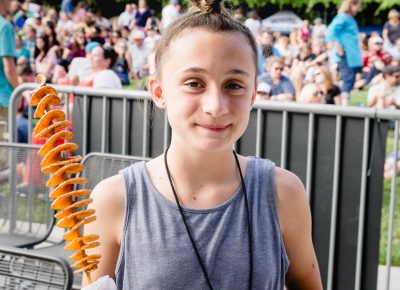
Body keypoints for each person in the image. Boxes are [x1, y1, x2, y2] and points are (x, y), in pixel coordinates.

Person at [82, 0, 322, 289]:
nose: (216, 106)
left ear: (253, 95)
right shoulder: (112, 201)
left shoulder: (283, 194)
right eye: (194, 83)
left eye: (234, 85)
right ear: (159, 92)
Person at [326, 0, 362, 106]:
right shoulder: (342, 17)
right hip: (345, 55)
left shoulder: (350, 19)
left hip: (352, 55)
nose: (358, 9)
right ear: (351, 4)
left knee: (350, 80)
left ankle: (339, 102)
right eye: (357, 6)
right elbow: (330, 31)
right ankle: (344, 106)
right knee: (348, 79)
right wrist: (338, 46)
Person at [0, 0, 19, 141]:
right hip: (3, 98)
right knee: (3, 154)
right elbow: (9, 68)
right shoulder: (4, 26)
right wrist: (18, 92)